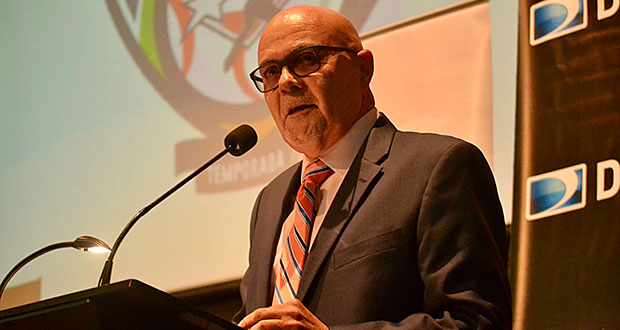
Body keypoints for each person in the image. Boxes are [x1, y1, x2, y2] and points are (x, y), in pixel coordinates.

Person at [234, 5, 512, 329]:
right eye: (270, 72)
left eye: (306, 59)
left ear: (363, 69)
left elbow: (477, 321)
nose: (285, 82)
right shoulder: (270, 201)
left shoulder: (439, 167)